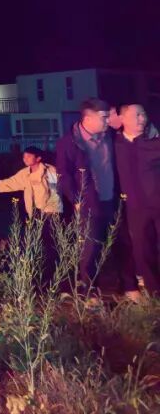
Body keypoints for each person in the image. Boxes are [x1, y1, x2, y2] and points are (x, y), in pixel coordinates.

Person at [56, 98, 139, 301]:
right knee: (91, 249)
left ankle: (129, 287)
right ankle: (91, 292)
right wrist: (76, 199)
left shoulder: (110, 136)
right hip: (88, 203)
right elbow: (64, 175)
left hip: (113, 200)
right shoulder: (69, 142)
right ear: (88, 119)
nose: (107, 121)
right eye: (103, 117)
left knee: (123, 243)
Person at [114, 104, 160, 296]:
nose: (142, 119)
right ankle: (154, 292)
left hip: (157, 203)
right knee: (142, 250)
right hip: (134, 208)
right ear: (123, 118)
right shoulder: (114, 145)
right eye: (137, 115)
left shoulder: (154, 143)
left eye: (144, 114)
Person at [0, 146, 62, 219]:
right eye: (24, 157)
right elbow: (11, 183)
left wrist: (51, 211)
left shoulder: (50, 170)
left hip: (50, 212)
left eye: (28, 156)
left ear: (38, 158)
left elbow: (55, 191)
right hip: (33, 212)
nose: (25, 159)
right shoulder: (24, 173)